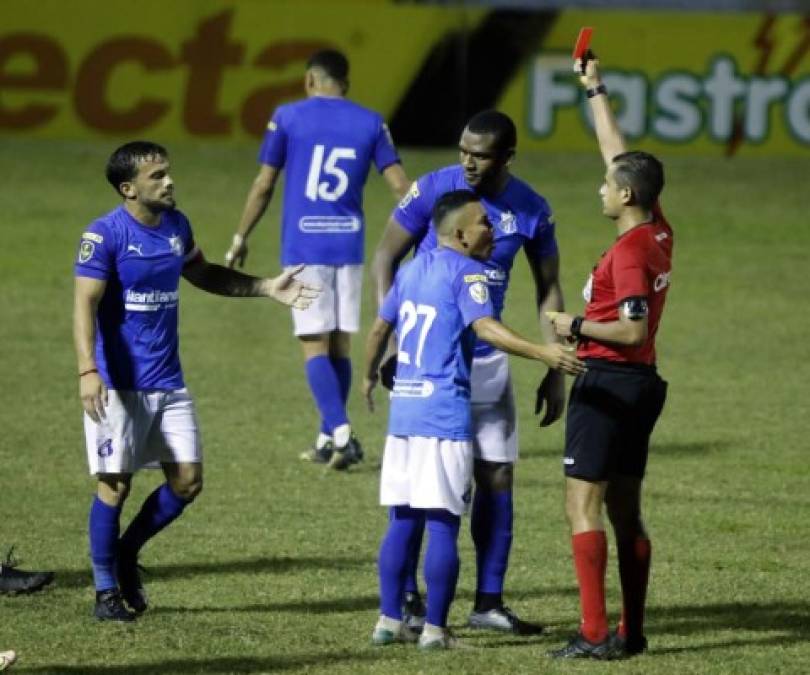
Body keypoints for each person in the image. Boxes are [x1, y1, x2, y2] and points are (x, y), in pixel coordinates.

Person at [74, 141, 319, 622]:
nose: (169, 182)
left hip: (169, 380)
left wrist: (266, 287)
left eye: (169, 172)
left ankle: (125, 553)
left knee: (187, 482)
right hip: (119, 385)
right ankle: (105, 593)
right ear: (129, 188)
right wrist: (89, 370)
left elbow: (203, 273)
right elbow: (84, 304)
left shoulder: (175, 227)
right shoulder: (104, 236)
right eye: (157, 176)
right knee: (114, 486)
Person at [364, 190, 584, 649]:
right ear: (461, 235)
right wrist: (543, 351)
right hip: (443, 415)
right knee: (444, 521)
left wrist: (368, 375)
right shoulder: (471, 273)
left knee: (402, 520)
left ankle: (388, 621)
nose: (496, 230)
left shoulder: (410, 270)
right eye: (486, 223)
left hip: (404, 411)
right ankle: (436, 631)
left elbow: (381, 327)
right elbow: (485, 327)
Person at [224, 49, 410, 470]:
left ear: (310, 79)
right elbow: (400, 185)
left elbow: (264, 184)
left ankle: (341, 431)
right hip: (349, 246)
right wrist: (429, 226)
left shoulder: (287, 117)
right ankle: (327, 436)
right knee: (339, 342)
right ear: (346, 82)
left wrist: (240, 237)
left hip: (304, 248)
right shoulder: (371, 121)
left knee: (313, 344)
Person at [548, 52, 672, 660]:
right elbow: (616, 158)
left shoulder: (627, 252)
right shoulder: (655, 228)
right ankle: (633, 631)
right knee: (626, 508)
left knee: (583, 503)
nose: (599, 186)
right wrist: (594, 88)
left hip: (609, 378)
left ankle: (595, 634)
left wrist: (571, 323)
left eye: (606, 185)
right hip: (642, 384)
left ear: (625, 196)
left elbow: (629, 329)